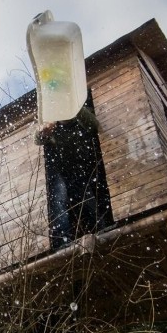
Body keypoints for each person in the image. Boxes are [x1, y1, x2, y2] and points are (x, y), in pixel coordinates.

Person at [36, 104, 112, 250]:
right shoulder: (52, 126)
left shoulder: (80, 118)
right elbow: (37, 139)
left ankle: (102, 226)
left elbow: (93, 125)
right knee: (60, 200)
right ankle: (61, 241)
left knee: (88, 198)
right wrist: (43, 131)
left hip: (83, 167)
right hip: (62, 171)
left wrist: (74, 107)